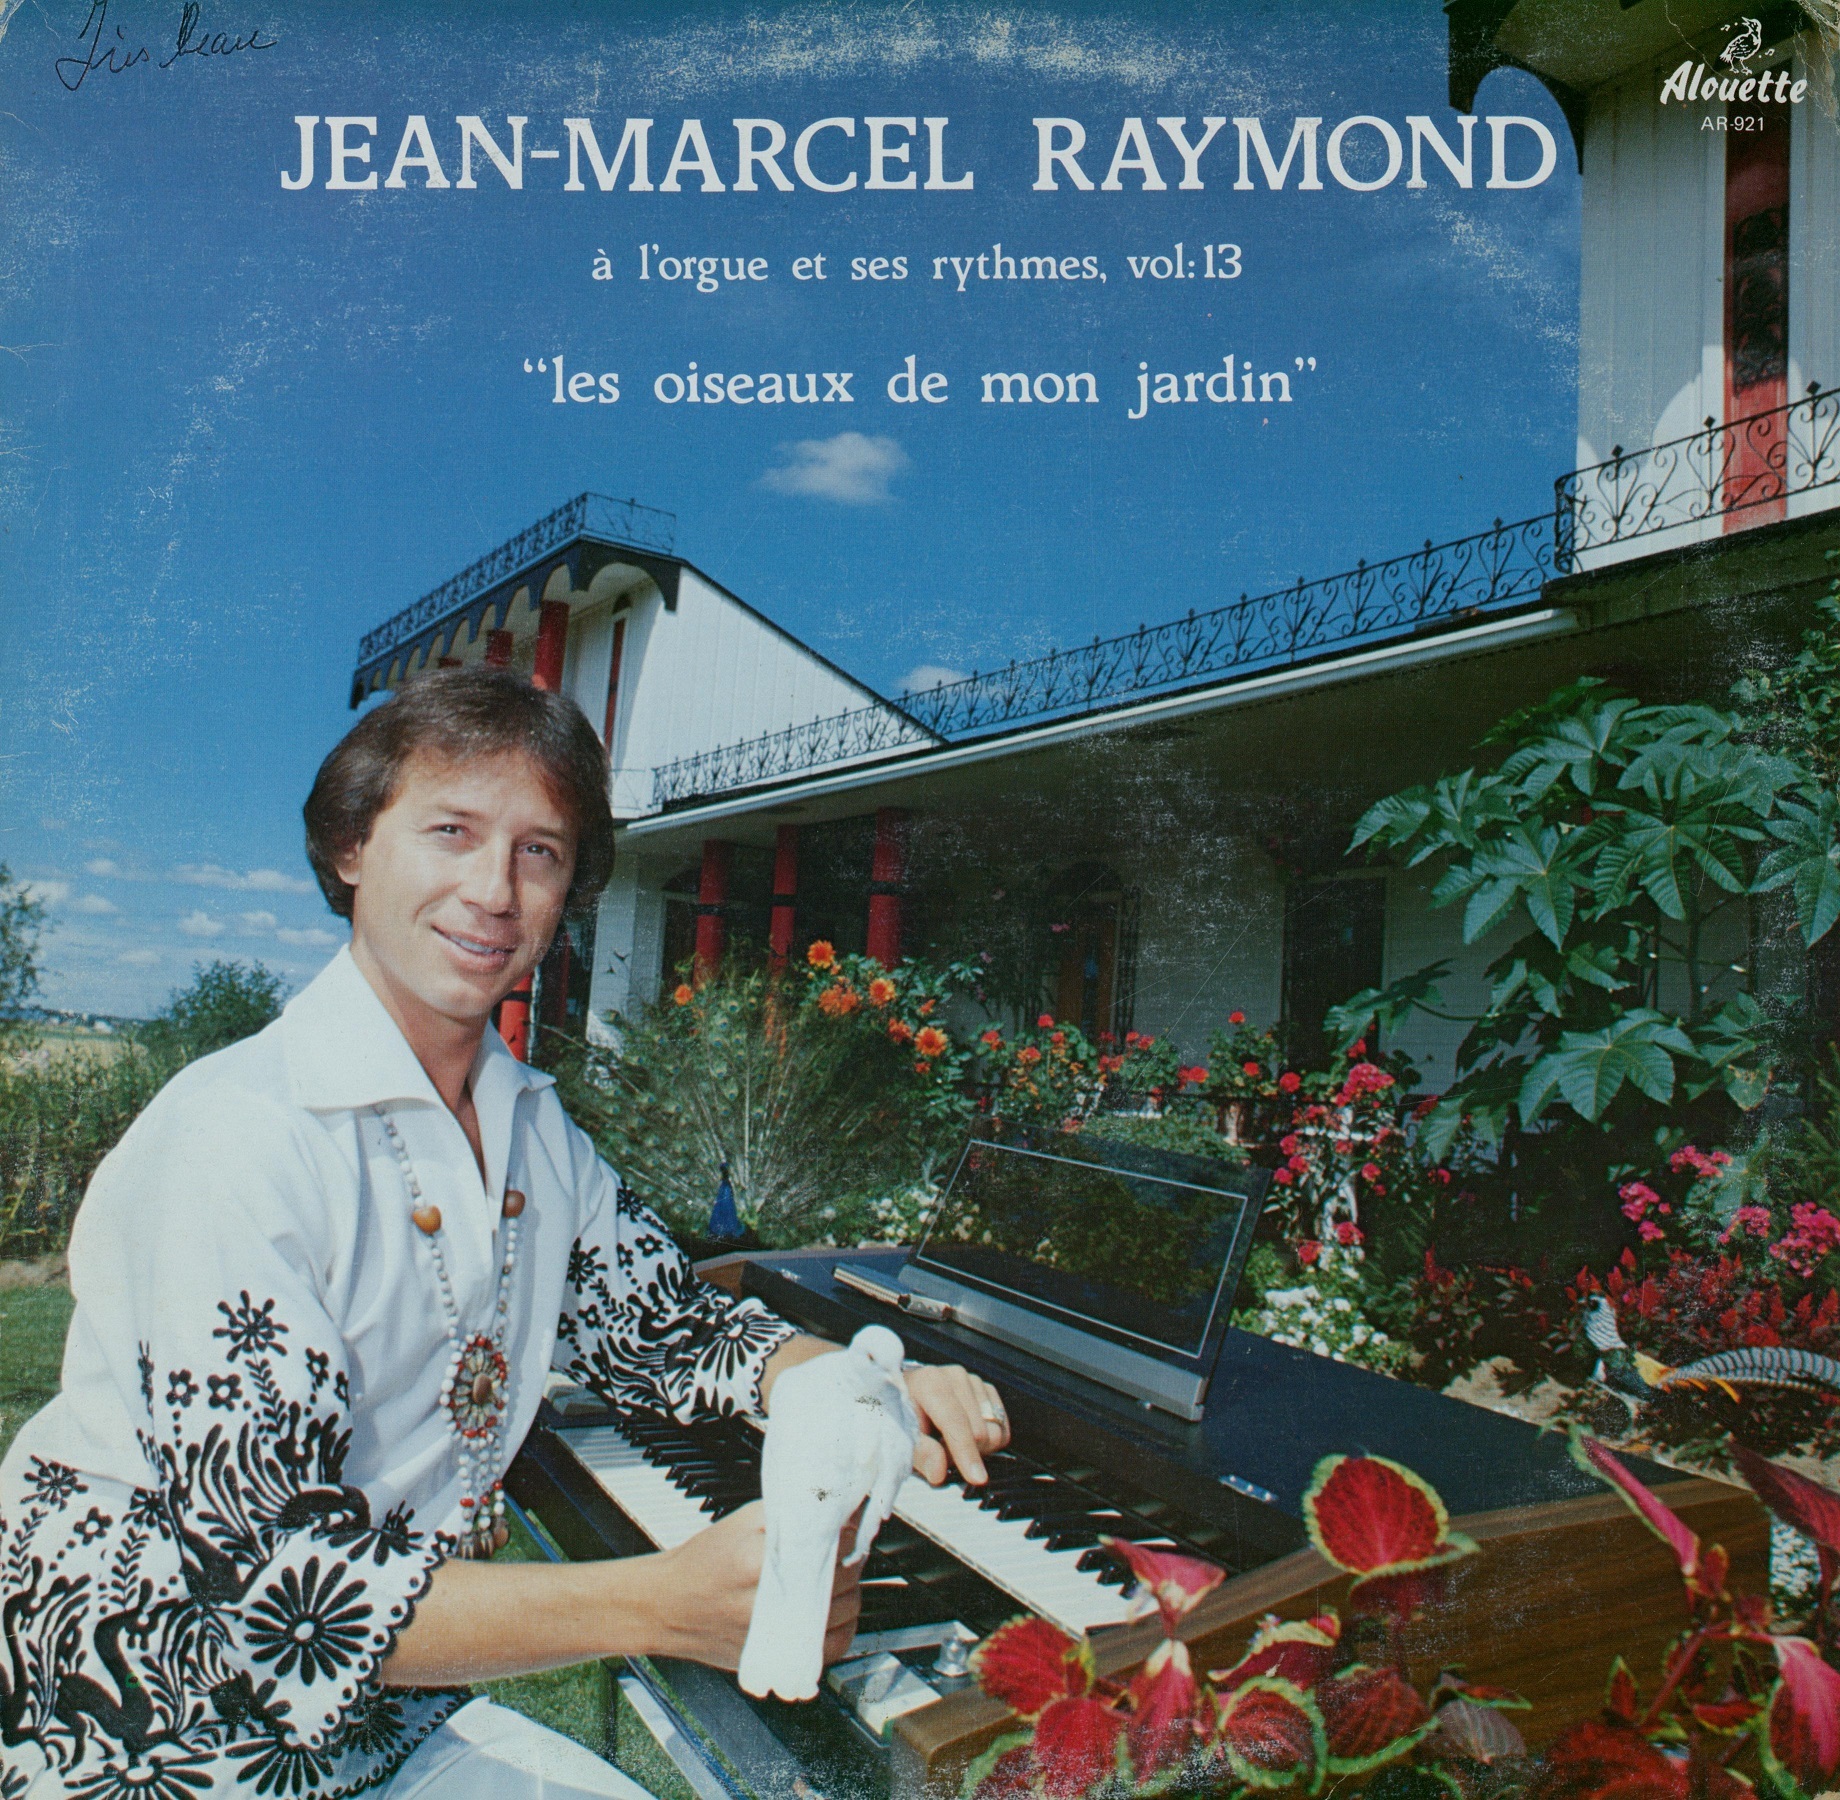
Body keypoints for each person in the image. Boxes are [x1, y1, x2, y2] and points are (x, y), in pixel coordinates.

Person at [0, 668, 1011, 1798]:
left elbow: (662, 1327)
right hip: (143, 1734)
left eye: (540, 851)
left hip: (376, 1726)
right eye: (451, 831)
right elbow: (276, 1591)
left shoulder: (530, 1125)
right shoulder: (235, 1138)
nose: (494, 890)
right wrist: (659, 1604)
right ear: (350, 847)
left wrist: (851, 1379)